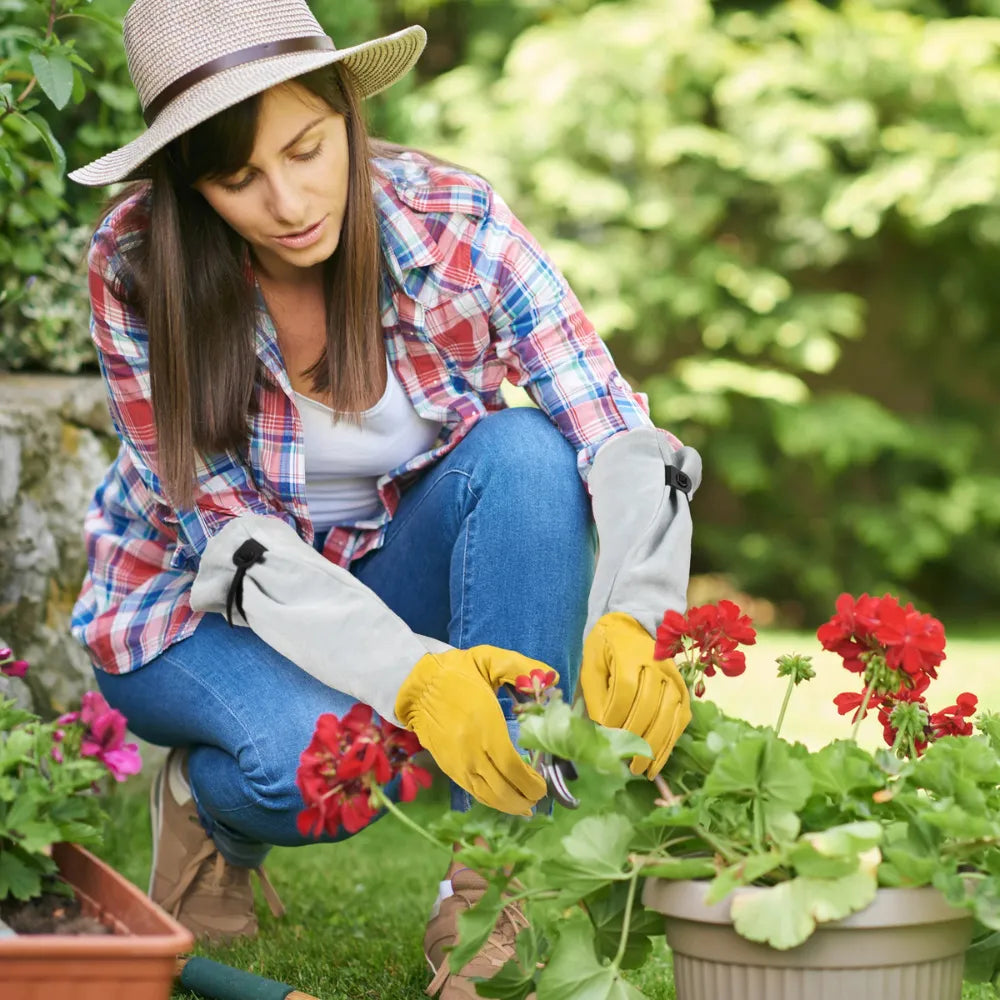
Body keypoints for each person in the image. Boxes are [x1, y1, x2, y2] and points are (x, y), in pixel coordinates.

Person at [67, 0, 701, 996]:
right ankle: (205, 802)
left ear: (348, 112)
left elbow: (612, 426)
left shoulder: (454, 222)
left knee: (529, 450)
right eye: (239, 179)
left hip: (381, 575)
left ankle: (500, 884)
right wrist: (410, 680)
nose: (287, 201)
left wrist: (637, 616)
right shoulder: (136, 264)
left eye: (307, 149)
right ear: (192, 184)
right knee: (336, 766)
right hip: (189, 610)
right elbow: (222, 535)